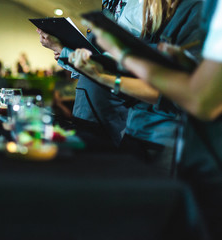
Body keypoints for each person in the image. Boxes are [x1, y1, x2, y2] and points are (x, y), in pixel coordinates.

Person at [83, 0, 222, 238]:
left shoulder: (201, 8)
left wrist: (121, 54)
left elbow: (202, 100)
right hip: (147, 133)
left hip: (181, 145)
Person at [68, 0, 206, 174]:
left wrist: (109, 72)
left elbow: (173, 94)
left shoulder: (197, 10)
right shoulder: (158, 12)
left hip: (164, 140)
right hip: (135, 132)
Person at [36, 0, 143, 147]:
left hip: (109, 109)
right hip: (86, 105)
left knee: (101, 158)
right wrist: (67, 54)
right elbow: (93, 66)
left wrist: (64, 51)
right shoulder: (109, 5)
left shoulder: (138, 7)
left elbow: (122, 65)